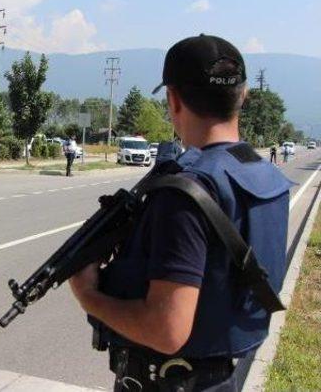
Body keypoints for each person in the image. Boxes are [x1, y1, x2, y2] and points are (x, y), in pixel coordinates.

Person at [70, 35, 291, 391]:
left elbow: (167, 330)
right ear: (243, 96)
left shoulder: (186, 193)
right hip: (225, 377)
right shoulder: (268, 177)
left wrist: (88, 296)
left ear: (173, 100)